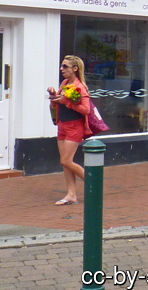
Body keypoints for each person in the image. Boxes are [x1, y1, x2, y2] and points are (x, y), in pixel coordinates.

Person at [47, 55, 91, 206]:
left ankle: (93, 182)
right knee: (65, 163)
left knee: (66, 160)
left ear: (75, 69)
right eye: (61, 66)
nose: (61, 69)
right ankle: (71, 195)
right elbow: (57, 105)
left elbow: (86, 110)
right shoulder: (64, 83)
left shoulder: (80, 87)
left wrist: (67, 102)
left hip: (74, 126)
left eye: (65, 66)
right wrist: (54, 97)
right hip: (62, 125)